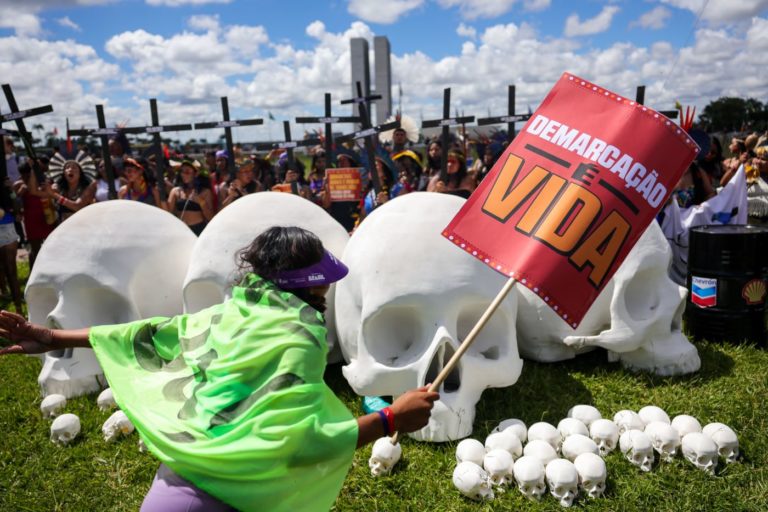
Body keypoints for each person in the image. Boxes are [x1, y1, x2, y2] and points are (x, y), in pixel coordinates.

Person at [0, 226, 438, 512]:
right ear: (307, 282)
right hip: (227, 498)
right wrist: (390, 418)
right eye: (321, 277)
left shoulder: (227, 314)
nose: (327, 286)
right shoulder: (297, 337)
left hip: (171, 486)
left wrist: (53, 337)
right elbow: (297, 444)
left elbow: (144, 335)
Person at [13, 161, 56, 269]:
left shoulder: (42, 182)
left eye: (28, 174)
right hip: (31, 220)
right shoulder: (19, 184)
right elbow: (15, 201)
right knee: (35, 249)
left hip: (46, 217)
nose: (25, 177)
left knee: (50, 246)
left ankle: (50, 269)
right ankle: (34, 272)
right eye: (23, 175)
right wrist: (19, 194)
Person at [167, 161, 214, 235]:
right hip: (182, 231)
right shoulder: (175, 191)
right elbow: (167, 213)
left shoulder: (205, 192)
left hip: (199, 230)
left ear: (196, 174)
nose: (183, 174)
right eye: (182, 171)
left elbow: (210, 217)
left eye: (187, 172)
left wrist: (201, 201)